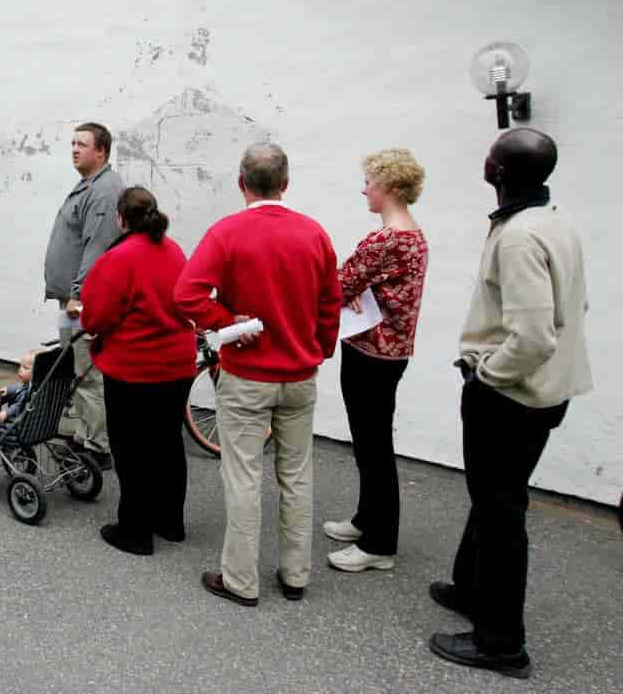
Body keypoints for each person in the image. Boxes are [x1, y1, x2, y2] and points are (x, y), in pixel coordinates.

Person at [427, 128, 591, 679]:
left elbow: (535, 334)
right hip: (546, 391)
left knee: (501, 514)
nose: (484, 156)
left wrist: (487, 376)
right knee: (493, 496)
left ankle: (500, 643)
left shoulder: (520, 237)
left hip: (512, 396)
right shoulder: (554, 222)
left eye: (490, 153)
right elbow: (574, 305)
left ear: (497, 171)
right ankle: (472, 590)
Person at [175, 142, 342, 606]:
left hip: (248, 377)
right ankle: (295, 574)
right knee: (297, 475)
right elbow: (331, 303)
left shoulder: (227, 232)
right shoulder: (314, 234)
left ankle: (241, 581)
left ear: (241, 183)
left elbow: (186, 294)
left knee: (244, 476)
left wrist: (228, 322)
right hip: (299, 375)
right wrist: (320, 349)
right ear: (286, 183)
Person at [324, 149, 430, 573]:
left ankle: (380, 543)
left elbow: (340, 282)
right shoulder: (412, 234)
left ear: (388, 186)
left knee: (373, 445)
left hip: (373, 354)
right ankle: (367, 519)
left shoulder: (388, 240)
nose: (364, 187)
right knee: (370, 441)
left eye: (369, 180)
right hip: (387, 351)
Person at [80, 187, 197, 556]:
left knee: (131, 449)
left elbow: (96, 316)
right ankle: (170, 522)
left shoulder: (118, 257)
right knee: (167, 442)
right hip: (178, 364)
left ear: (120, 217)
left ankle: (134, 530)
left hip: (134, 366)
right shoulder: (174, 250)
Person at [42, 122, 123, 469]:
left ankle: (96, 447)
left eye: (82, 144)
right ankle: (86, 435)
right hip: (73, 300)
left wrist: (77, 295)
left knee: (87, 373)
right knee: (77, 370)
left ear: (101, 151)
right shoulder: (90, 184)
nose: (74, 149)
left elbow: (97, 246)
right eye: (73, 143)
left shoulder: (104, 190)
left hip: (82, 301)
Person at [0, 349, 36, 425]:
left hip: (16, 423)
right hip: (34, 424)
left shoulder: (29, 393)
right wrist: (9, 390)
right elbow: (21, 387)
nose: (20, 370)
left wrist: (6, 413)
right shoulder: (36, 386)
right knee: (5, 394)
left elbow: (18, 406)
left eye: (25, 368)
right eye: (20, 366)